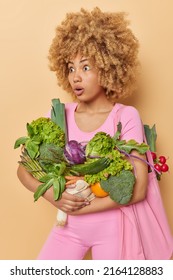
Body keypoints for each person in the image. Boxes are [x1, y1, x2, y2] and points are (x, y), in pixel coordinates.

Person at [17, 7, 173, 260]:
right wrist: (53, 197)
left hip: (115, 229)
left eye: (86, 67)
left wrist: (82, 208)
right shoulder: (59, 114)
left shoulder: (125, 116)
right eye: (70, 68)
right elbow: (23, 169)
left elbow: (140, 188)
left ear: (108, 67)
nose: (76, 77)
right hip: (67, 227)